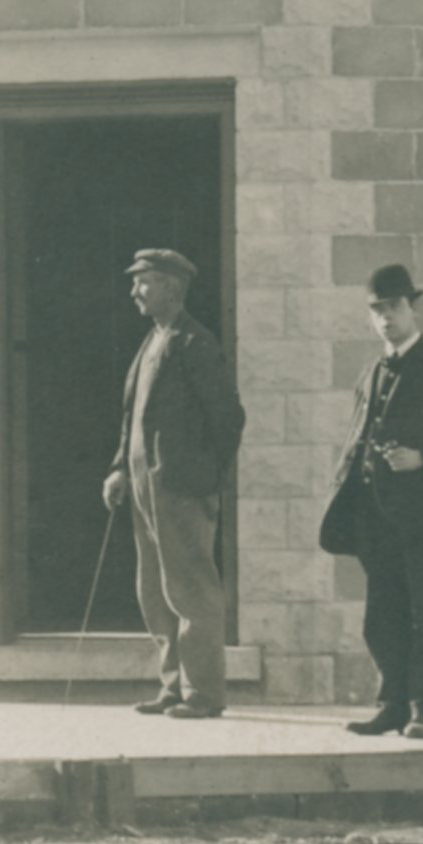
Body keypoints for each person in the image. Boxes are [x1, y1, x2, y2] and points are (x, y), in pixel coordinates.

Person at [317, 263, 423, 740]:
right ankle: (392, 705)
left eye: (394, 307)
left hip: (421, 517)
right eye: (377, 309)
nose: (386, 318)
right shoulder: (370, 372)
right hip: (376, 517)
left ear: (412, 308)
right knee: (381, 617)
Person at [99, 247, 246, 719]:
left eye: (143, 282)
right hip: (144, 486)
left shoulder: (194, 343)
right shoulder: (151, 342)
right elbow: (132, 418)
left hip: (180, 488)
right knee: (154, 588)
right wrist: (121, 467)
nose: (134, 292)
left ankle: (203, 693)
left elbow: (229, 420)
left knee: (191, 589)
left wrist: (200, 479)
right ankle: (173, 687)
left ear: (170, 287)